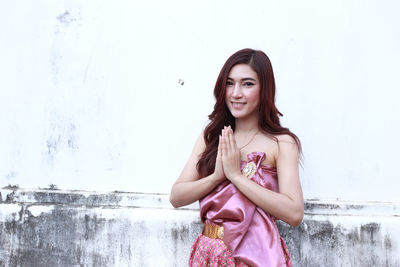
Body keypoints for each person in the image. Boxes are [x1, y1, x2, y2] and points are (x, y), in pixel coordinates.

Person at [169, 48, 303, 267]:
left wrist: (237, 177)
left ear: (265, 89)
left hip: (257, 257)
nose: (235, 93)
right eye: (230, 83)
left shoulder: (281, 143)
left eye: (247, 84)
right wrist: (216, 177)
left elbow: (294, 213)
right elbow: (176, 196)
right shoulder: (212, 136)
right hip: (210, 254)